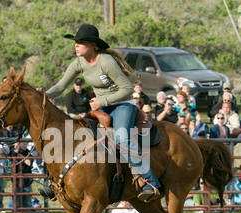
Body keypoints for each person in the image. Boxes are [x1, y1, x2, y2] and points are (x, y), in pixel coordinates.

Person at [43, 23, 162, 202]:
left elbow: (127, 88)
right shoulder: (79, 63)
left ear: (92, 45)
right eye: (75, 42)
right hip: (102, 108)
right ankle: (58, 182)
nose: (76, 45)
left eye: (80, 42)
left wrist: (102, 101)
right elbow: (60, 86)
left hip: (123, 105)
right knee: (78, 137)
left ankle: (150, 181)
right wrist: (42, 94)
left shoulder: (106, 61)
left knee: (122, 137)